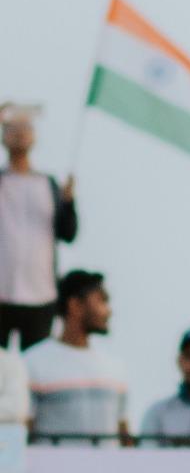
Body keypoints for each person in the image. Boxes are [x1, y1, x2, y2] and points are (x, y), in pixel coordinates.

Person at [0, 105, 78, 352]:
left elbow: (68, 233)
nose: (20, 133)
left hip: (40, 295)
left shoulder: (49, 185)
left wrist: (69, 203)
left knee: (36, 365)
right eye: (13, 128)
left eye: (25, 127)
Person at [24, 269, 127, 443]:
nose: (108, 311)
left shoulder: (114, 367)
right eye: (101, 300)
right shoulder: (32, 362)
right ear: (75, 305)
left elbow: (123, 434)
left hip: (107, 463)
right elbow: (23, 432)